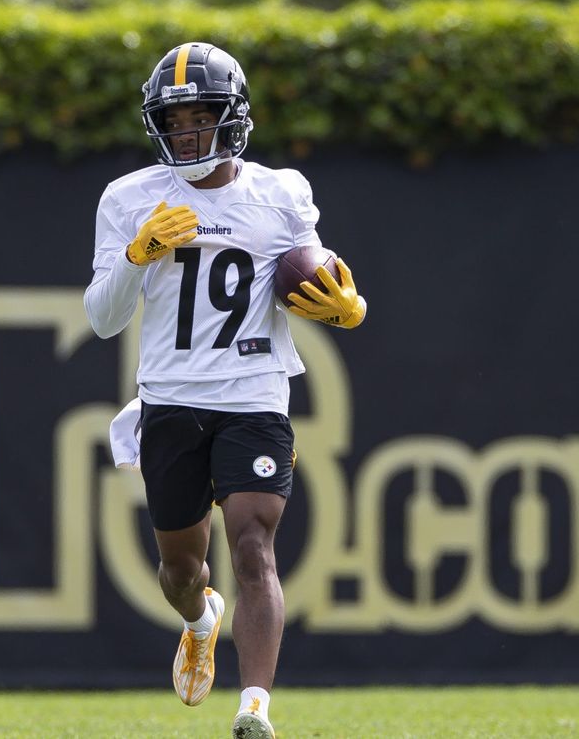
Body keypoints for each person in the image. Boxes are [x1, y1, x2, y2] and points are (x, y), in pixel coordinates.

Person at [83, 42, 367, 739]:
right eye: (173, 122)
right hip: (172, 398)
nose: (186, 133)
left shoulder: (281, 193)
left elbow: (314, 276)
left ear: (233, 118)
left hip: (255, 392)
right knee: (183, 568)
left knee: (253, 545)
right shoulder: (129, 198)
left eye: (199, 117)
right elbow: (102, 318)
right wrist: (135, 255)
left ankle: (254, 708)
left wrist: (348, 306)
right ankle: (199, 619)